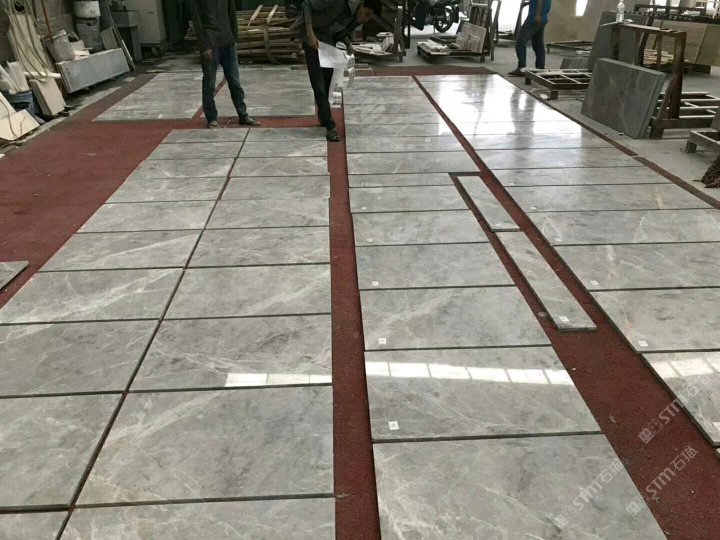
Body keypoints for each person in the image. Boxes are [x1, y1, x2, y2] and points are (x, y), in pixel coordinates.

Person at [293, 0, 382, 141]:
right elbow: (306, 4)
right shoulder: (338, 2)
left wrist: (348, 44)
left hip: (327, 42)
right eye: (366, 14)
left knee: (327, 82)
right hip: (313, 39)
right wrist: (310, 35)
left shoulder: (353, 17)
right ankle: (330, 125)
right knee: (318, 84)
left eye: (369, 18)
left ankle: (323, 117)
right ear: (361, 5)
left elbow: (335, 29)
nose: (365, 19)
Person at [187, 0, 261, 128]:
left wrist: (233, 37)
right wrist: (204, 46)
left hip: (227, 42)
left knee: (235, 82)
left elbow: (231, 13)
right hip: (211, 42)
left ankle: (243, 115)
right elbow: (197, 20)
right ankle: (211, 118)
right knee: (209, 84)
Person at [508, 0, 551, 76]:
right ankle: (540, 68)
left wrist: (537, 14)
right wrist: (529, 3)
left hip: (534, 19)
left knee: (520, 43)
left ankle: (521, 68)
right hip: (543, 18)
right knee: (538, 45)